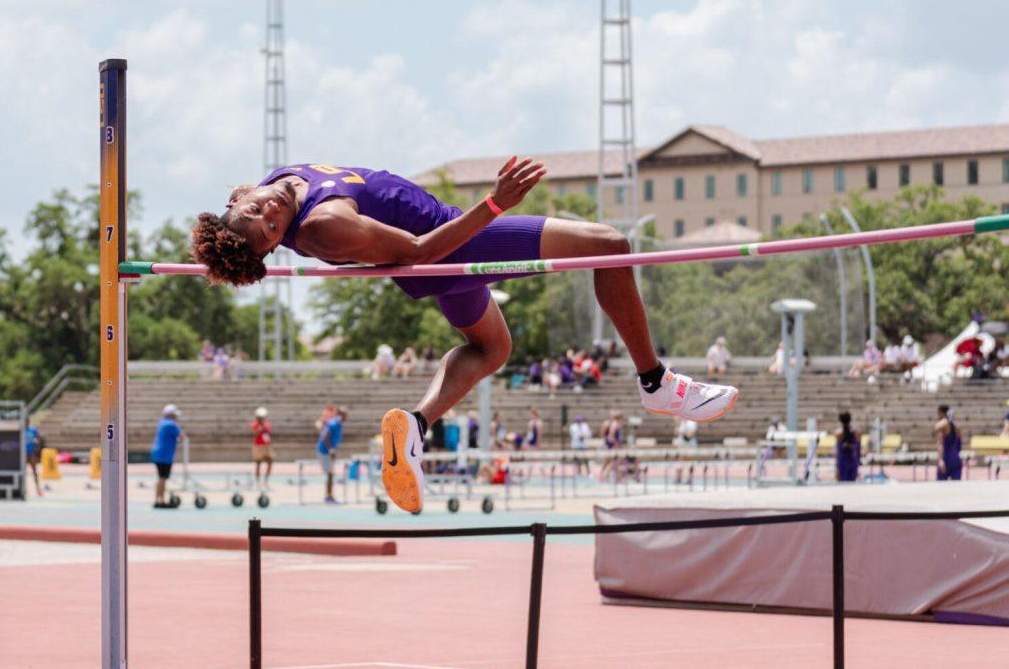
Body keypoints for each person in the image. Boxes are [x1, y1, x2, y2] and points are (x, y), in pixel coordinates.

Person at [190, 157, 738, 513]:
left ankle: (416, 426)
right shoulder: (322, 224)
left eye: (259, 214)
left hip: (447, 251)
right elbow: (421, 252)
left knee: (493, 348)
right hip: (452, 244)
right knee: (610, 245)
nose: (271, 217)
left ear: (237, 199)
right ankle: (654, 381)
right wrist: (495, 204)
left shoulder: (260, 187)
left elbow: (243, 222)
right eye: (270, 233)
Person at [151, 404, 184, 508]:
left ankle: (159, 499)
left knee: (161, 478)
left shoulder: (162, 422)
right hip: (165, 455)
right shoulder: (171, 424)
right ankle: (160, 500)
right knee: (163, 478)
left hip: (159, 453)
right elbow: (182, 435)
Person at [315, 405, 346, 503]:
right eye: (344, 414)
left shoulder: (338, 424)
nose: (345, 417)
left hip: (327, 451)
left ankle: (329, 495)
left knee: (331, 474)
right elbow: (325, 436)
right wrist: (331, 449)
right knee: (330, 474)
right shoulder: (334, 423)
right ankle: (328, 496)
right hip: (324, 451)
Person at [934, 405, 963, 481]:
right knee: (957, 487)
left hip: (945, 458)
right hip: (956, 458)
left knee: (941, 488)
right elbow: (959, 445)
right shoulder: (957, 426)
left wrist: (940, 460)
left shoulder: (942, 425)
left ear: (942, 413)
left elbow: (940, 444)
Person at [835, 411, 861, 483]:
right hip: (853, 459)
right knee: (852, 484)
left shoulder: (838, 433)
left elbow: (838, 451)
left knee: (842, 485)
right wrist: (858, 463)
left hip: (843, 460)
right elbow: (858, 449)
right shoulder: (857, 432)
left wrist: (837, 468)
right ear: (850, 420)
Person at [251, 407, 273, 488]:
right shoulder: (255, 424)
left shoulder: (266, 424)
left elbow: (268, 433)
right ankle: (257, 481)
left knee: (270, 462)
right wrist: (260, 429)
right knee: (258, 463)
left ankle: (266, 480)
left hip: (266, 445)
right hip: (258, 445)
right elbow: (255, 434)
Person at [25, 424, 44, 497]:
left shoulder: (32, 430)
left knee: (34, 472)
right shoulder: (21, 430)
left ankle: (38, 488)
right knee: (23, 473)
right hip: (23, 454)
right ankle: (24, 489)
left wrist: (37, 446)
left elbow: (39, 438)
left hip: (31, 453)